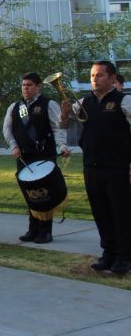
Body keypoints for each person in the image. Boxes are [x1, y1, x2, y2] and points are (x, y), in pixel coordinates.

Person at [61, 61, 131, 274]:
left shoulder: (124, 100)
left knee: (121, 213)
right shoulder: (84, 102)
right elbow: (63, 124)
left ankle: (124, 257)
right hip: (91, 166)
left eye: (100, 75)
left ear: (112, 78)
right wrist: (64, 114)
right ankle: (108, 253)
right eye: (92, 75)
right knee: (101, 212)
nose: (95, 79)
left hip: (117, 167)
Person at [3, 72, 68, 244]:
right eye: (24, 85)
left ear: (38, 87)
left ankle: (46, 231)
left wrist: (62, 145)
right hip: (24, 157)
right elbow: (7, 130)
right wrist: (14, 147)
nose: (26, 88)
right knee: (30, 193)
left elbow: (58, 126)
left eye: (29, 85)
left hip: (44, 155)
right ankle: (33, 229)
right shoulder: (14, 107)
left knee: (44, 194)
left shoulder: (49, 104)